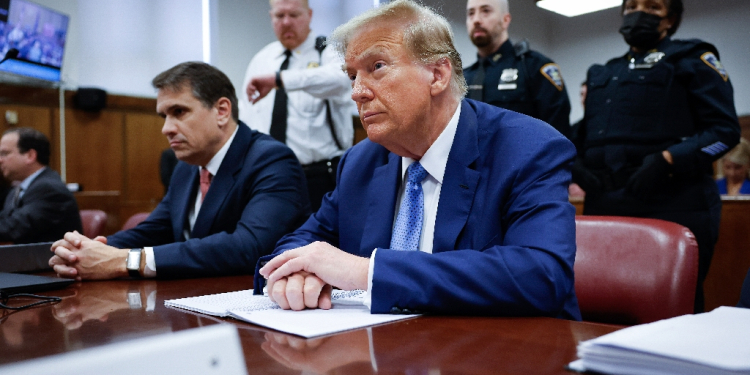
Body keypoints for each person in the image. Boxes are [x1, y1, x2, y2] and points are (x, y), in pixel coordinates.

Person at [256, 0, 580, 320]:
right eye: (352, 75)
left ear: (437, 75)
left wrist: (367, 272)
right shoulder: (360, 162)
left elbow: (542, 275)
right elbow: (302, 242)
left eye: (377, 67)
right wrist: (295, 274)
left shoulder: (527, 148)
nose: (356, 92)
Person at [49, 62, 310, 280]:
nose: (167, 128)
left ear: (221, 111)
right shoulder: (185, 167)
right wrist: (89, 250)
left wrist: (125, 261)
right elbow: (155, 229)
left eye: (179, 112)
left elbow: (250, 247)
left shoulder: (271, 159)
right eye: (164, 116)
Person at [572, 0, 740, 312]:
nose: (639, 14)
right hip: (607, 205)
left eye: (652, 7)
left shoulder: (692, 57)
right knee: (602, 304)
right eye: (632, 5)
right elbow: (587, 131)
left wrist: (668, 159)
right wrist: (577, 166)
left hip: (674, 202)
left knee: (672, 310)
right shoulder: (604, 73)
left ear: (670, 20)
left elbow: (725, 131)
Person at [240, 0, 354, 211]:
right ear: (271, 17)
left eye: (294, 15)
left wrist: (281, 79)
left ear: (309, 15)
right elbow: (248, 116)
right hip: (269, 175)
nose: (286, 22)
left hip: (319, 177)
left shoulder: (328, 52)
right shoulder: (262, 59)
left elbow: (341, 79)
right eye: (279, 16)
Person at [463, 0, 571, 138]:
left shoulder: (533, 67)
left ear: (505, 19)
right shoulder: (463, 78)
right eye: (471, 13)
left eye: (486, 11)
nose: (476, 19)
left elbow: (558, 133)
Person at [0, 127, 82, 243]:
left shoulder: (50, 189)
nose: (0, 160)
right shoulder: (18, 189)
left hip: (50, 260)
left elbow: (12, 228)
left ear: (30, 156)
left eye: (5, 153)